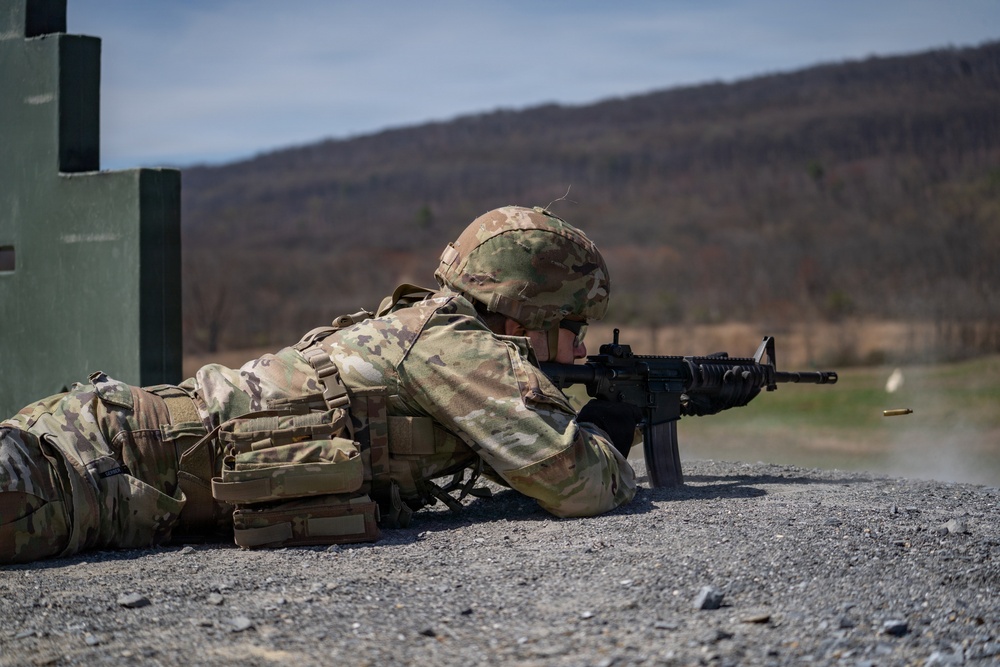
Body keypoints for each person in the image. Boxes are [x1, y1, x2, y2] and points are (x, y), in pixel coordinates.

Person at [0, 205, 640, 564]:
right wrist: (605, 437)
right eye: (575, 325)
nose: (582, 346)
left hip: (118, 462)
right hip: (98, 465)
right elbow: (574, 480)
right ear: (526, 314)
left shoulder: (423, 327)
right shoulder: (451, 341)